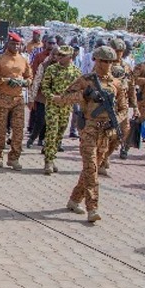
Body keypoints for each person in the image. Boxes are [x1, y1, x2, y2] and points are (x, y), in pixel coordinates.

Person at [53, 45, 120, 223]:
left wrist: (116, 123)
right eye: (103, 61)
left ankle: (74, 200)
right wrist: (85, 95)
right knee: (91, 169)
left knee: (92, 169)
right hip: (89, 129)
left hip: (106, 131)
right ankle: (93, 208)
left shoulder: (116, 83)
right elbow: (64, 97)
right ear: (95, 60)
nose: (106, 65)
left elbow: (122, 108)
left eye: (110, 62)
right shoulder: (86, 80)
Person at [0, 32, 33, 170]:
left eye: (17, 44)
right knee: (0, 129)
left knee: (18, 130)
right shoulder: (0, 59)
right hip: (2, 98)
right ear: (8, 43)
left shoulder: (23, 60)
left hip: (18, 99)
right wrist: (5, 80)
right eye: (13, 43)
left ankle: (14, 158)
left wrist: (23, 82)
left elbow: (30, 78)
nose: (15, 46)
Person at [39, 45, 81, 175]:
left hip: (66, 107)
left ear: (70, 57)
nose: (59, 57)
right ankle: (48, 161)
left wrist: (69, 99)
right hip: (52, 105)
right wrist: (53, 97)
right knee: (52, 131)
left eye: (63, 55)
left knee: (60, 132)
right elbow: (44, 87)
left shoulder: (75, 72)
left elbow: (79, 90)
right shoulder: (52, 69)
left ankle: (53, 156)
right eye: (58, 55)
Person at [102, 38, 137, 170]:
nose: (119, 53)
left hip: (123, 105)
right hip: (108, 105)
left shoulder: (127, 67)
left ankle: (107, 155)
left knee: (123, 132)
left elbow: (132, 86)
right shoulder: (104, 65)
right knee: (107, 133)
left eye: (121, 51)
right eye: (117, 50)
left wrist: (135, 106)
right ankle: (102, 158)